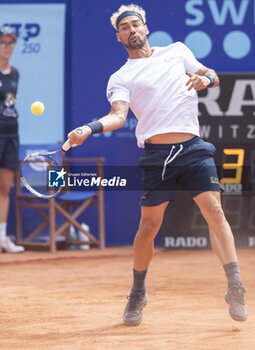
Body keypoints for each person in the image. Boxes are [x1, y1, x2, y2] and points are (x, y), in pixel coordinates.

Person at [67, 4, 248, 325]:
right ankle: (138, 291)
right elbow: (118, 115)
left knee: (215, 211)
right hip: (157, 156)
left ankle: (235, 285)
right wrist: (88, 129)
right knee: (149, 227)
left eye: (136, 24)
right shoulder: (121, 76)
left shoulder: (177, 52)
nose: (132, 30)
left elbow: (212, 75)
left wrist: (206, 81)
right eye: (125, 27)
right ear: (119, 37)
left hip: (193, 148)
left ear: (146, 28)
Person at [0, 26, 24, 253]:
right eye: (3, 43)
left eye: (10, 43)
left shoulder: (15, 73)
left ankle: (2, 238)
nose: (7, 47)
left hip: (11, 134)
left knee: (5, 188)